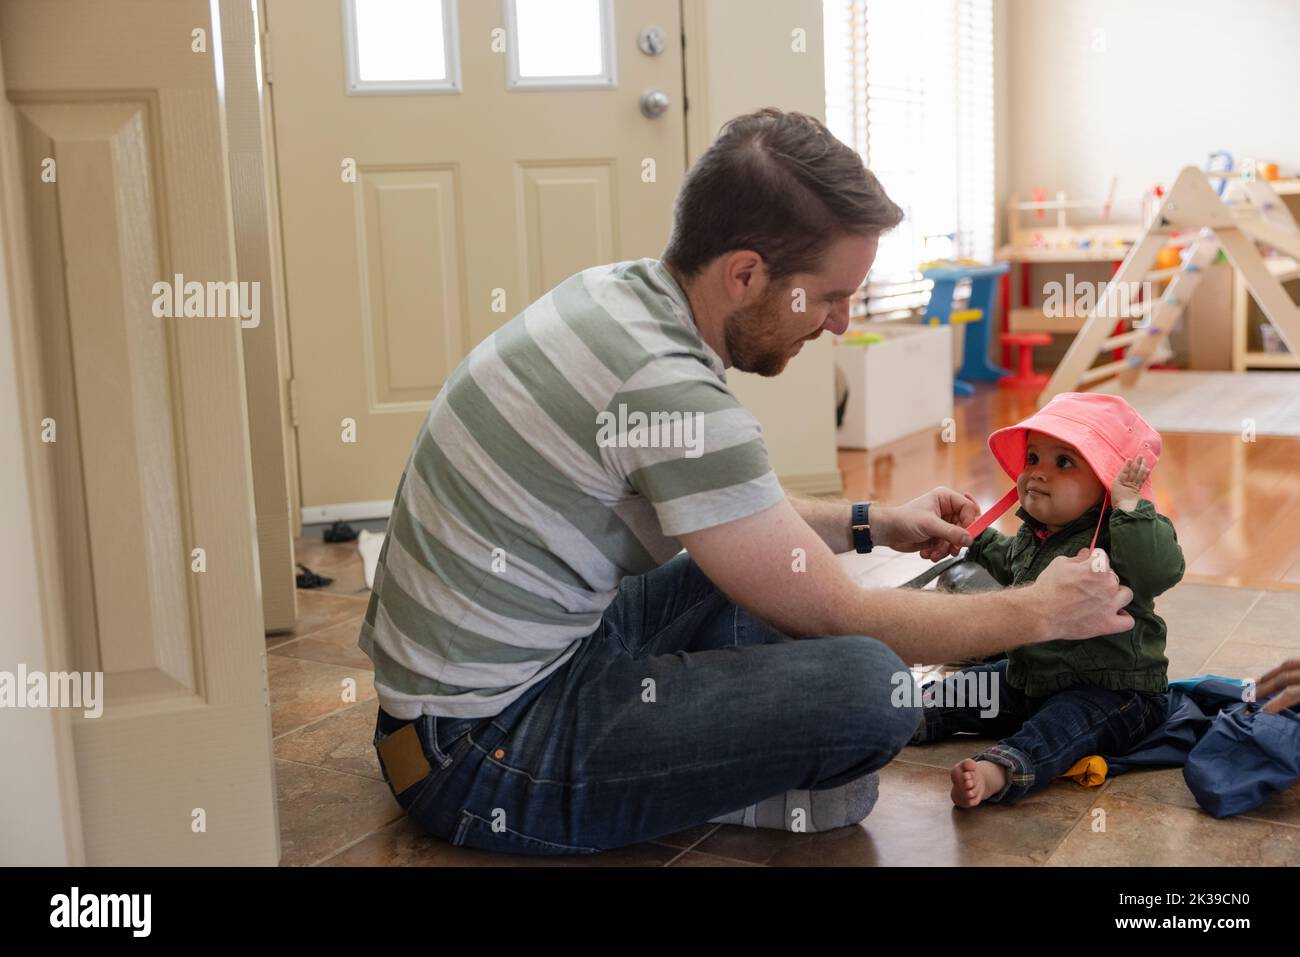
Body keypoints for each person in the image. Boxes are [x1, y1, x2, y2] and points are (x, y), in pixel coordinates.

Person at [359, 108, 1135, 856]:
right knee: (872, 685)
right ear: (745, 274)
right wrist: (1040, 610)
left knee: (761, 572)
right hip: (478, 755)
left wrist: (874, 521)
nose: (838, 321)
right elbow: (844, 616)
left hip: (470, 693)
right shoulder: (670, 388)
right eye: (830, 296)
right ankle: (670, 786)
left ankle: (673, 756)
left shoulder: (617, 298)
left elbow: (734, 511)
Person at [910, 394, 1183, 807]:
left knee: (1062, 726)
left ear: (1107, 481)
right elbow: (1015, 569)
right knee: (968, 689)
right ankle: (906, 716)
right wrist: (979, 537)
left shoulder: (1121, 532)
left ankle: (1000, 770)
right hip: (1032, 676)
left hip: (1114, 692)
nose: (1036, 474)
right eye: (1033, 457)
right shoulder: (1037, 530)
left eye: (1064, 462)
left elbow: (1158, 569)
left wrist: (1130, 507)